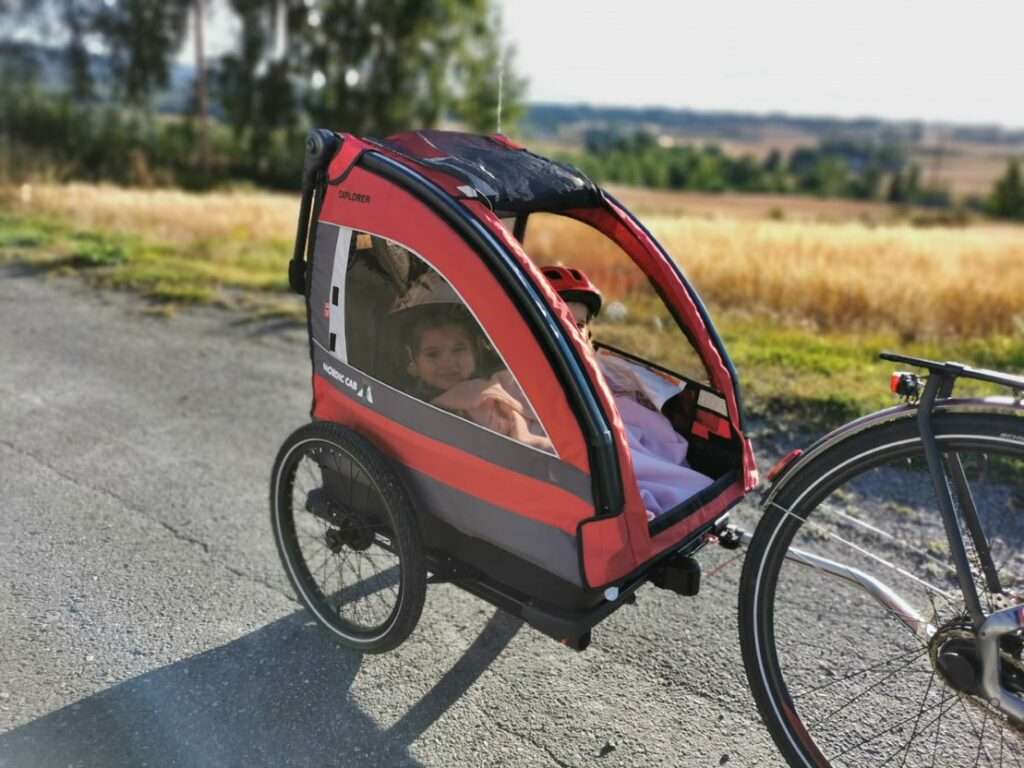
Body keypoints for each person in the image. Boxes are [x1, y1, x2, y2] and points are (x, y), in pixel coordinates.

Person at [540, 265, 714, 520]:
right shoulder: (528, 373)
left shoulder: (601, 369)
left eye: (577, 325)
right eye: (561, 322)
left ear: (589, 335)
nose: (571, 333)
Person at [395, 274, 553, 453]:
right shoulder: (409, 405)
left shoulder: (499, 385)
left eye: (458, 350)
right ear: (413, 360)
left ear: (476, 351)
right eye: (433, 354)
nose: (447, 362)